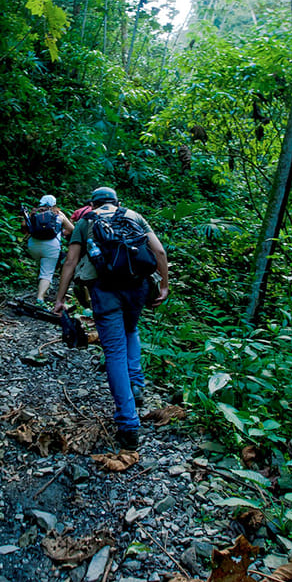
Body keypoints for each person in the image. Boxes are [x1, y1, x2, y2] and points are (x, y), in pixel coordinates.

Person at [53, 186, 169, 451]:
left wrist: (60, 298)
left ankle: (128, 424)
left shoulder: (86, 222)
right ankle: (137, 385)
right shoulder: (135, 216)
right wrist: (164, 286)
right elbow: (159, 253)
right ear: (117, 202)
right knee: (131, 331)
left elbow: (70, 262)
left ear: (93, 204)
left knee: (114, 352)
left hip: (105, 291)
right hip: (137, 288)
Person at [23, 195, 74, 305]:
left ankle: (40, 285)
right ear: (54, 204)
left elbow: (24, 226)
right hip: (51, 245)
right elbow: (71, 229)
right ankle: (40, 298)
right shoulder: (58, 214)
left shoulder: (34, 213)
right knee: (47, 272)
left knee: (40, 264)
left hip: (33, 245)